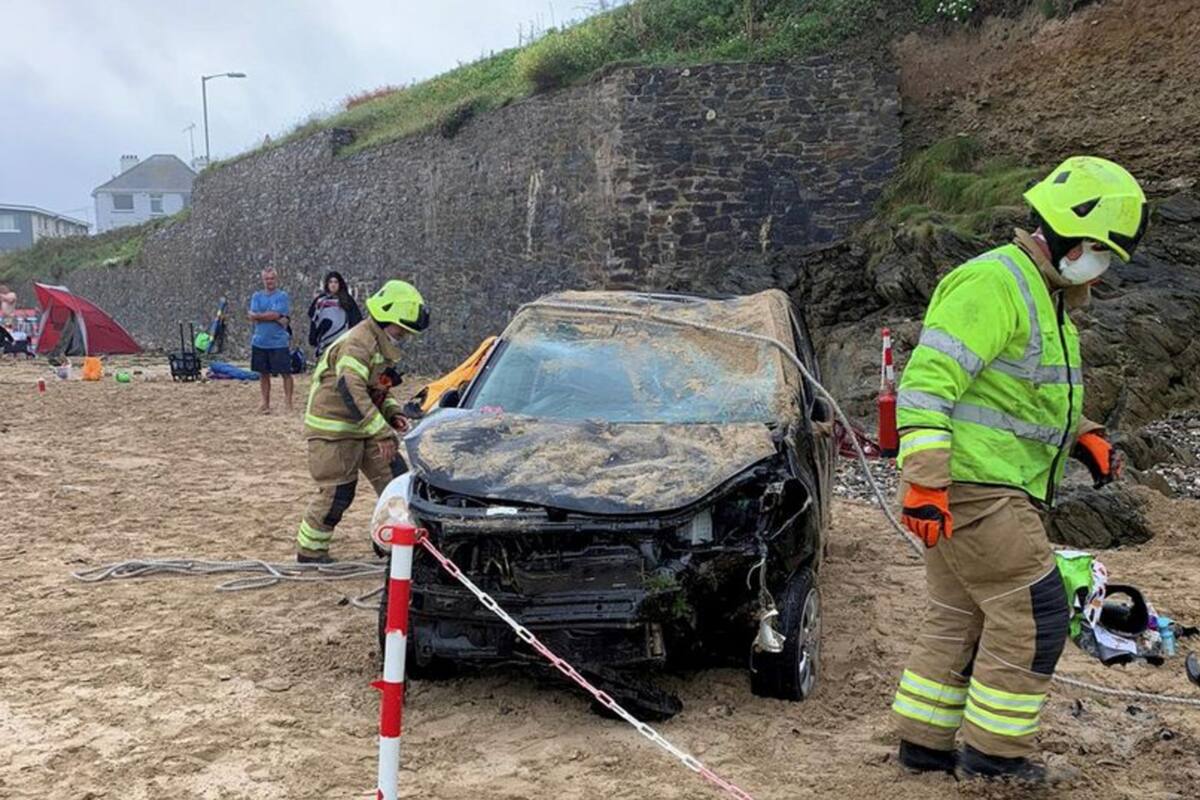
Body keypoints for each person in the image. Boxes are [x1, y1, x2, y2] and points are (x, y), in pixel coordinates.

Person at [889, 156, 1147, 782]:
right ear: (1071, 238)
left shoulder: (1043, 294)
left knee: (961, 613)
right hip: (979, 488)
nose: (1101, 268)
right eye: (1100, 252)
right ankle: (997, 758)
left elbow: (1015, 394)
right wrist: (925, 479)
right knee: (1035, 612)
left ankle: (924, 744)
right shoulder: (996, 283)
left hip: (971, 487)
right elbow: (927, 387)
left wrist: (1081, 435)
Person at [295, 279, 429, 563]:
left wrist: (394, 414)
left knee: (398, 481)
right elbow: (351, 389)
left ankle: (399, 544)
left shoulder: (378, 343)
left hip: (364, 427)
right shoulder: (357, 343)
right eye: (401, 330)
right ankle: (311, 551)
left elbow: (377, 388)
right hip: (334, 431)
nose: (403, 336)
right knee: (337, 492)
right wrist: (381, 432)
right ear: (386, 319)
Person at [247, 268, 294, 413]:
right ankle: (265, 403)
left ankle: (288, 403)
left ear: (276, 279)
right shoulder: (256, 296)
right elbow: (256, 315)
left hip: (278, 342)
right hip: (260, 341)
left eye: (272, 279)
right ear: (263, 280)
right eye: (267, 279)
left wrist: (259, 316)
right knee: (263, 373)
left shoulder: (282, 296)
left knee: (286, 373)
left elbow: (275, 314)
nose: (269, 282)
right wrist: (273, 317)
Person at [307, 270, 363, 358]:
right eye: (331, 282)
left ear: (340, 284)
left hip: (342, 339)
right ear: (327, 284)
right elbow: (314, 320)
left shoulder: (347, 300)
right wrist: (313, 337)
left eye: (336, 282)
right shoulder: (320, 301)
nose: (333, 285)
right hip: (325, 340)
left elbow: (356, 320)